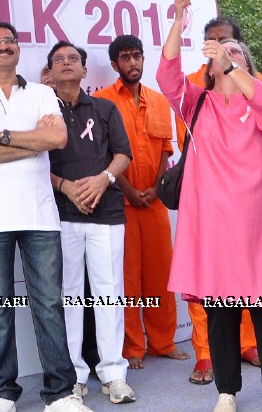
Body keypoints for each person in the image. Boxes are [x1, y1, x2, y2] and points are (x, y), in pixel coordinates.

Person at [158, 0, 262, 412]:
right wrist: (179, 17)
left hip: (260, 226)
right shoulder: (196, 103)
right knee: (221, 311)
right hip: (215, 226)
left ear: (243, 63)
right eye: (218, 49)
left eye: (233, 50)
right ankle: (227, 392)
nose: (223, 53)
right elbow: (166, 75)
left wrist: (234, 64)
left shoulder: (259, 103)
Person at [0, 22, 88, 412]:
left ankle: (61, 394)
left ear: (18, 49)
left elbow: (57, 140)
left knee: (48, 304)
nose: (2, 46)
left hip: (40, 215)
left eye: (9, 40)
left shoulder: (43, 94)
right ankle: (3, 394)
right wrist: (31, 141)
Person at [174, 18, 262, 383]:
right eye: (210, 41)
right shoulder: (198, 83)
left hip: (248, 195)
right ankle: (206, 353)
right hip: (206, 194)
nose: (216, 46)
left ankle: (247, 343)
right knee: (206, 281)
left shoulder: (253, 80)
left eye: (224, 41)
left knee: (247, 278)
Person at [46, 41, 136, 405]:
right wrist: (67, 188)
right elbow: (35, 163)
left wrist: (102, 181)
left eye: (74, 59)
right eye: (59, 60)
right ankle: (73, 375)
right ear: (50, 72)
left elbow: (123, 154)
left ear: (85, 70)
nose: (67, 64)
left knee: (108, 292)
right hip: (61, 214)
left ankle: (113, 373)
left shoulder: (104, 107)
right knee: (68, 296)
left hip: (106, 212)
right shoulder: (41, 112)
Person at [92, 35, 186, 372]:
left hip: (155, 202)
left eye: (137, 56)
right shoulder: (102, 101)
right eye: (125, 58)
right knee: (128, 279)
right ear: (115, 65)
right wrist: (130, 190)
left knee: (161, 275)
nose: (133, 63)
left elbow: (165, 150)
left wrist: (156, 189)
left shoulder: (160, 100)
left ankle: (163, 342)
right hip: (121, 202)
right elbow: (104, 154)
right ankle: (133, 346)